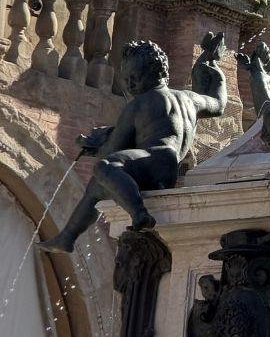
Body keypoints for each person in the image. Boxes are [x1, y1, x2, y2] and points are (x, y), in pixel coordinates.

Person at [38, 33, 227, 252]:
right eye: (126, 78)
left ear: (155, 72)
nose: (130, 84)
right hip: (167, 167)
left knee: (105, 167)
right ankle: (67, 238)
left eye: (134, 77)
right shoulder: (188, 98)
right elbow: (219, 104)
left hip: (153, 161)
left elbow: (113, 150)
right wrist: (217, 73)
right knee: (96, 187)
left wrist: (97, 144)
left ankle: (139, 213)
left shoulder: (140, 103)